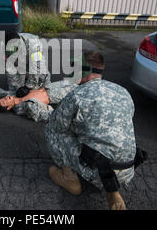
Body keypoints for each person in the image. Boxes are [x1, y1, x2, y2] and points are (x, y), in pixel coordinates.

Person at [45, 51, 143, 210]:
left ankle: (69, 177)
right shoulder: (123, 92)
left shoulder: (78, 94)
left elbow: (57, 126)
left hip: (96, 169)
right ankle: (112, 191)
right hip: (127, 169)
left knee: (52, 130)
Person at [0, 32, 51, 99]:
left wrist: (28, 87)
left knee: (40, 80)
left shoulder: (35, 44)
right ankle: (24, 79)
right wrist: (14, 87)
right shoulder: (4, 45)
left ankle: (42, 84)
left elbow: (36, 67)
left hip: (32, 60)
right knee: (17, 91)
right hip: (19, 62)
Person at [0, 79, 78, 123]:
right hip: (53, 95)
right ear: (9, 107)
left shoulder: (14, 95)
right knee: (78, 89)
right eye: (4, 102)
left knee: (73, 82)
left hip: (49, 87)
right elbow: (40, 115)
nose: (5, 98)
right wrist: (62, 118)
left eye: (3, 98)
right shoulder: (23, 107)